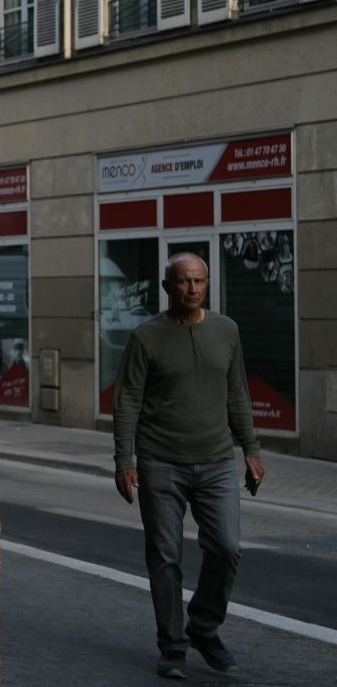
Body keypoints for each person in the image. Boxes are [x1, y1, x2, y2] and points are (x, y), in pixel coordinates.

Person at [113, 252, 266, 679]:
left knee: (227, 548)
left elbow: (237, 393)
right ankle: (173, 646)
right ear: (167, 287)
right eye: (183, 281)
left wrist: (251, 450)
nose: (192, 288)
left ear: (208, 283)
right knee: (165, 557)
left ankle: (203, 626)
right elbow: (127, 401)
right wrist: (125, 459)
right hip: (161, 463)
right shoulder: (146, 338)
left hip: (216, 461)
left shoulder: (227, 331)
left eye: (199, 280)